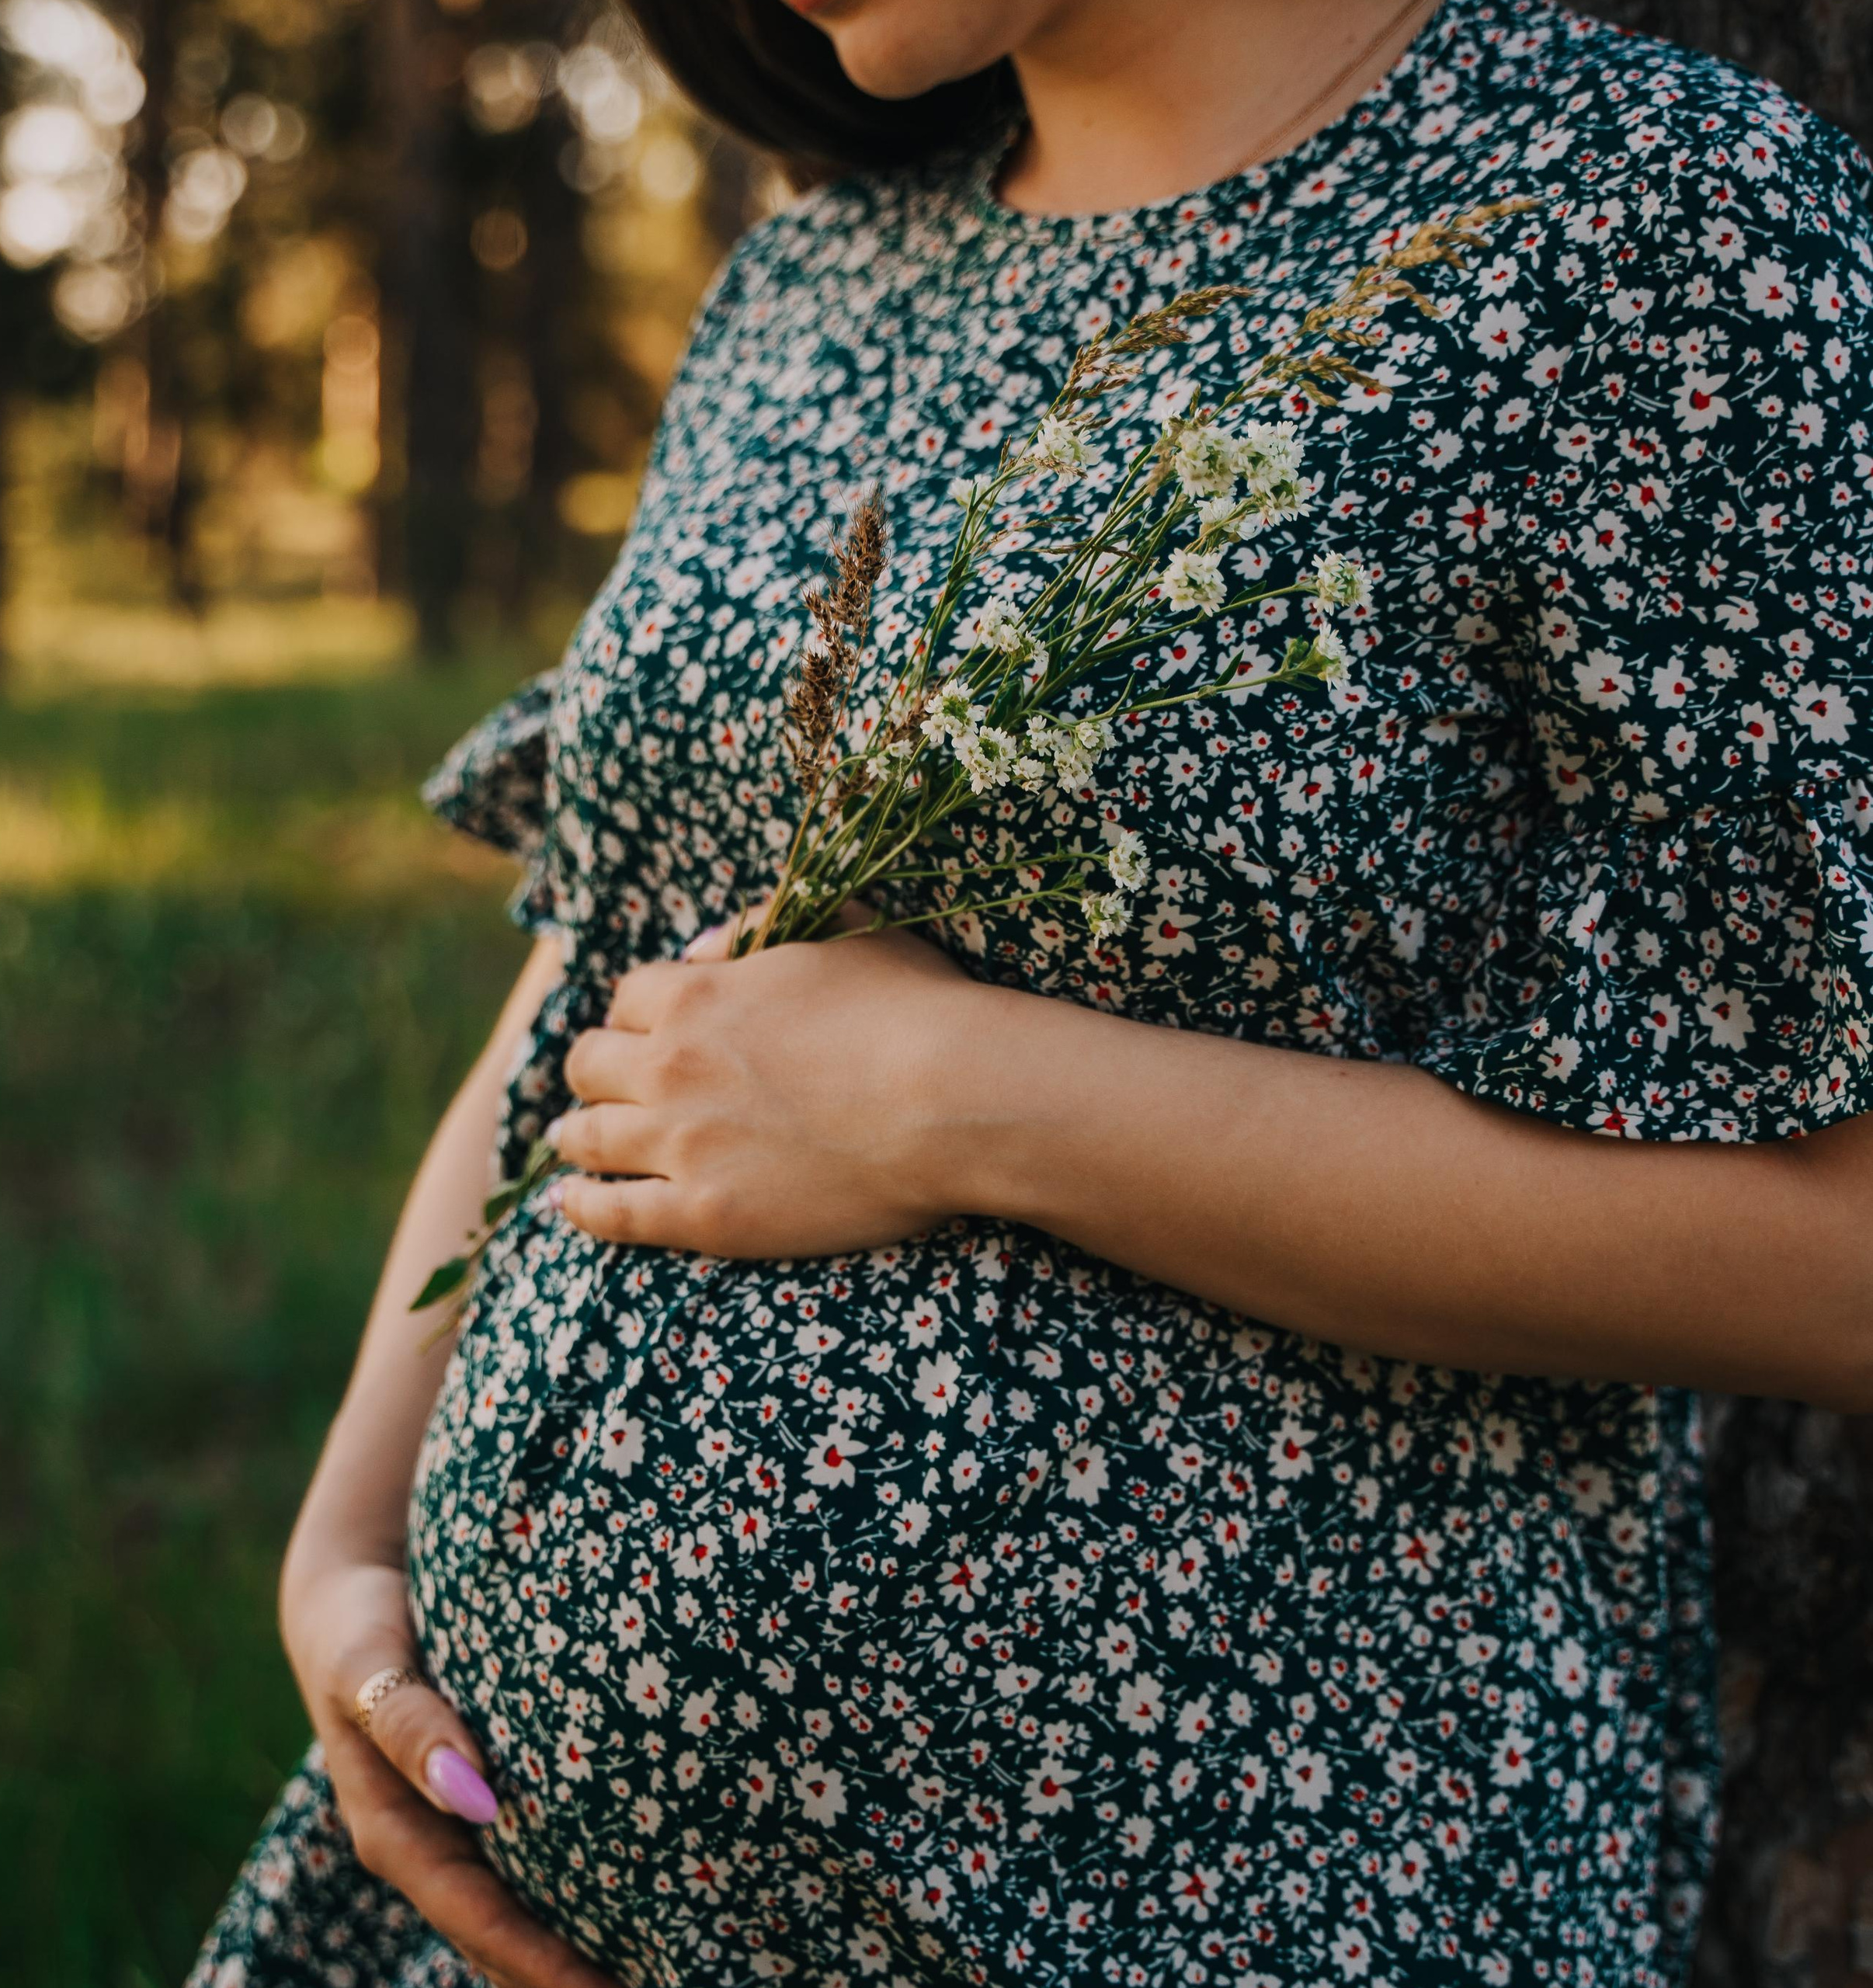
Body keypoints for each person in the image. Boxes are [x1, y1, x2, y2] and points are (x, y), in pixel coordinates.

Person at [192, 1, 1873, 1983]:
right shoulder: (817, 271)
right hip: (508, 1911)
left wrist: (961, 1099)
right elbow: (611, 957)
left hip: (1253, 1898)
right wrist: (345, 1548)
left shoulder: (1654, 220)